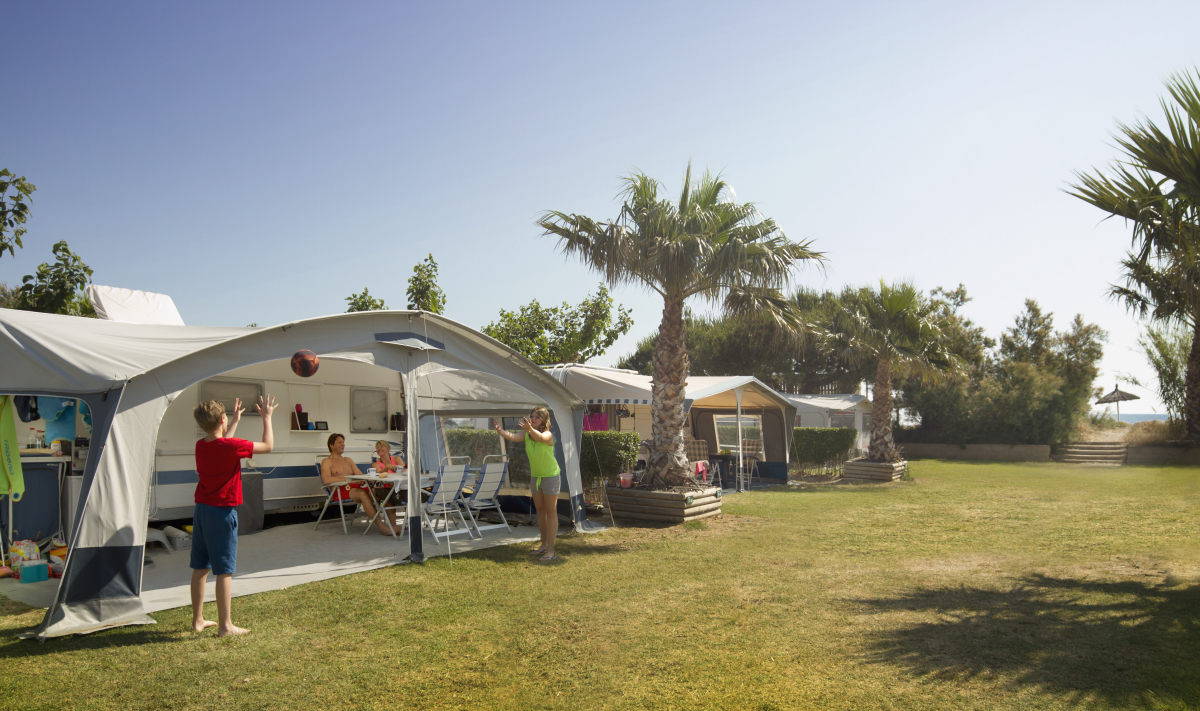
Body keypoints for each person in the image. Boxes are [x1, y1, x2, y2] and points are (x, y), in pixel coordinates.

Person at [191, 395, 276, 636]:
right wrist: (267, 418)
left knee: (200, 566)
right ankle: (225, 626)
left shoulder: (202, 445)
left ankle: (198, 620)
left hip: (201, 510)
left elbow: (221, 442)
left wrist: (234, 421)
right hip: (222, 512)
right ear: (221, 419)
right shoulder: (231, 446)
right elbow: (268, 446)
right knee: (224, 571)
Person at [494, 407, 560, 561]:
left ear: (544, 419)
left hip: (550, 476)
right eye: (532, 416)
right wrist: (501, 431)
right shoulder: (527, 434)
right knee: (540, 511)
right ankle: (543, 545)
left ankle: (550, 550)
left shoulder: (547, 434)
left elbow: (540, 438)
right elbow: (512, 436)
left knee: (551, 512)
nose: (533, 418)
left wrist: (530, 429)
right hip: (535, 477)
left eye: (537, 416)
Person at [321, 433, 393, 535]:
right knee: (362, 494)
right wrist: (349, 479)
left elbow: (360, 475)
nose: (343, 444)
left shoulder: (348, 460)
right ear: (331, 445)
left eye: (343, 442)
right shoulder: (327, 461)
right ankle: (383, 528)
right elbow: (326, 480)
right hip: (340, 489)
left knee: (384, 492)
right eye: (339, 442)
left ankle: (393, 526)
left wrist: (361, 480)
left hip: (357, 487)